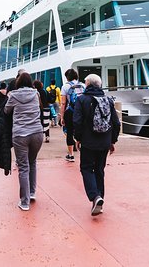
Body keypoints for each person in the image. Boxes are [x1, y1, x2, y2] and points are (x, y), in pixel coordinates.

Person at [73, 74, 120, 216]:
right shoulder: (108, 100)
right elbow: (116, 123)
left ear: (87, 85)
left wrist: (78, 138)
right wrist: (112, 141)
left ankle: (95, 196)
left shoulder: (82, 100)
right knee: (99, 170)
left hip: (88, 141)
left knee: (86, 168)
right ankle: (99, 200)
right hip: (104, 142)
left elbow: (77, 122)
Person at [4, 72, 44, 211]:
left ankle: (24, 202)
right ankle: (32, 193)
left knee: (23, 167)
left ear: (18, 82)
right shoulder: (36, 94)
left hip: (20, 134)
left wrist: (9, 99)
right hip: (37, 133)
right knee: (32, 162)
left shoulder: (13, 95)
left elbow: (6, 110)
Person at [59, 68, 85, 162]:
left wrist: (62, 116)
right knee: (82, 131)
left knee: (69, 132)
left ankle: (71, 155)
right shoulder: (83, 85)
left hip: (70, 111)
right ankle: (84, 153)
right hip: (82, 112)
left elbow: (63, 103)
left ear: (67, 77)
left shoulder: (65, 86)